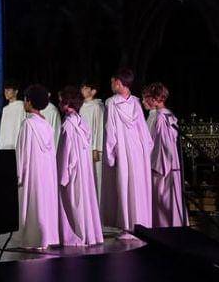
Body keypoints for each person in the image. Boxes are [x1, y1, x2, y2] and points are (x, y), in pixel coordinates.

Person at [101, 68, 153, 232]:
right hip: (138, 149)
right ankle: (140, 222)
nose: (111, 85)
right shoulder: (136, 102)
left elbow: (110, 130)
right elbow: (143, 130)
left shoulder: (111, 103)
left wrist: (110, 155)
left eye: (112, 82)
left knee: (125, 184)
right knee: (137, 185)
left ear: (118, 82)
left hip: (123, 149)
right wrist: (146, 149)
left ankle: (127, 223)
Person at [57, 86, 103, 246]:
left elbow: (65, 153)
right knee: (84, 201)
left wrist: (62, 175)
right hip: (83, 169)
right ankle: (88, 234)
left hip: (73, 170)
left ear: (66, 102)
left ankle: (76, 235)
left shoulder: (68, 125)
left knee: (73, 202)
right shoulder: (80, 121)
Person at [16, 84, 60, 249]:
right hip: (46, 173)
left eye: (25, 100)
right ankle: (45, 237)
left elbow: (22, 151)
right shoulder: (46, 125)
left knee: (32, 203)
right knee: (44, 203)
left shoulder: (28, 124)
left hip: (32, 173)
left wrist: (18, 173)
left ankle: (32, 238)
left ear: (29, 101)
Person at [143, 82, 185, 227]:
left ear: (155, 99)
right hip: (170, 164)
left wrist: (153, 165)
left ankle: (165, 229)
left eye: (146, 98)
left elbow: (161, 144)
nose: (144, 102)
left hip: (162, 166)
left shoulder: (160, 117)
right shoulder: (166, 115)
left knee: (163, 200)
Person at [79, 82, 105, 201]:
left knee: (96, 177)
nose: (83, 90)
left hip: (94, 149)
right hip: (83, 147)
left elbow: (99, 128)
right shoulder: (81, 106)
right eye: (82, 88)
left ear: (93, 91)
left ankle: (98, 205)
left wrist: (96, 148)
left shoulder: (97, 107)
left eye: (86, 88)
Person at [0, 81, 25, 150]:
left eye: (8, 90)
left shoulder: (21, 107)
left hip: (17, 145)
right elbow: (3, 129)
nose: (6, 92)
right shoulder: (5, 109)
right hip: (5, 146)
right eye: (5, 90)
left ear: (16, 91)